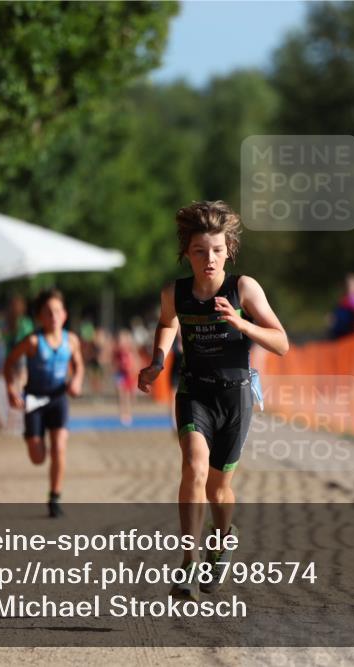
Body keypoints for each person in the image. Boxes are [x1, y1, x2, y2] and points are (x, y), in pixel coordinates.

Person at [137, 200, 288, 601]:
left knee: (219, 489)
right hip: (195, 391)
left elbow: (282, 342)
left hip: (235, 396)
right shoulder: (175, 292)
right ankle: (188, 561)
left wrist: (241, 323)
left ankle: (222, 539)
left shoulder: (243, 288)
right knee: (194, 467)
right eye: (200, 251)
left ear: (229, 250)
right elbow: (167, 322)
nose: (209, 259)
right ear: (186, 253)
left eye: (217, 250)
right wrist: (157, 361)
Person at [4, 288, 84, 517]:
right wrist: (11, 390)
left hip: (58, 398)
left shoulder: (72, 340)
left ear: (65, 315)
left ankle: (54, 498)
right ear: (40, 317)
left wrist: (76, 380)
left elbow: (79, 365)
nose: (53, 316)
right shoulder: (32, 341)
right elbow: (9, 363)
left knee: (59, 448)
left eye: (57, 311)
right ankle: (33, 438)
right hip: (35, 400)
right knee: (38, 458)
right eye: (48, 312)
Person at [114, 328, 139, 426]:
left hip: (129, 375)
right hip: (120, 374)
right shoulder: (117, 352)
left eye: (123, 340)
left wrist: (133, 371)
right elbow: (114, 362)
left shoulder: (131, 351)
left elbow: (135, 362)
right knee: (121, 394)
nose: (122, 342)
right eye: (120, 340)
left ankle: (128, 413)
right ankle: (122, 414)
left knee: (128, 395)